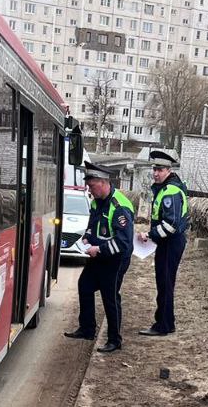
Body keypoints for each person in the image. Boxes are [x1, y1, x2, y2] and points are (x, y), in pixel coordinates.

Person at [63, 161, 135, 354]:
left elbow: (123, 242)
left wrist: (99, 249)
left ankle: (114, 340)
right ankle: (87, 329)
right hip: (98, 256)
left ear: (103, 183)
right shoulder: (96, 201)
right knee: (84, 285)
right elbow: (92, 225)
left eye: (92, 186)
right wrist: (86, 238)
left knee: (110, 297)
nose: (90, 190)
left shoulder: (119, 206)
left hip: (115, 259)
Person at [137, 148, 190, 336]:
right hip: (169, 243)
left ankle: (163, 326)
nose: (156, 173)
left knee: (165, 284)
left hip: (171, 243)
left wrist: (150, 236)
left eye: (160, 170)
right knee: (165, 283)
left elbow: (171, 225)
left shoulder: (171, 192)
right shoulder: (166, 189)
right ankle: (168, 322)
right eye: (154, 169)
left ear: (168, 170)